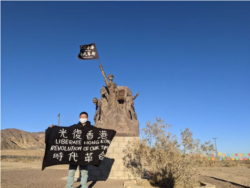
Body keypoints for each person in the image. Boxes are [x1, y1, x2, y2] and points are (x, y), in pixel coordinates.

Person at [49, 111, 91, 188]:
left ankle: (84, 186)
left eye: (84, 117)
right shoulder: (74, 127)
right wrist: (54, 127)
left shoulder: (91, 129)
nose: (83, 118)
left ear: (87, 118)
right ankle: (69, 186)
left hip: (84, 154)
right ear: (79, 118)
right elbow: (65, 131)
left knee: (84, 172)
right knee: (71, 172)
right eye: (81, 117)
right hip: (74, 153)